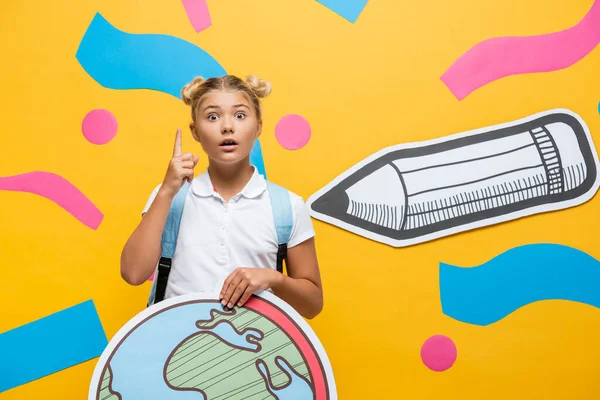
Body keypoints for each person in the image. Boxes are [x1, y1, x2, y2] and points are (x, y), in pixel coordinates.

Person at [120, 75, 323, 319]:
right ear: (195, 131)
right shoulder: (171, 197)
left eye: (240, 115)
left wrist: (273, 278)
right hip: (174, 350)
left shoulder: (287, 206)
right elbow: (133, 273)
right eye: (212, 117)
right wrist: (166, 192)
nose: (227, 127)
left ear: (258, 126)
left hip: (254, 349)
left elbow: (312, 305)